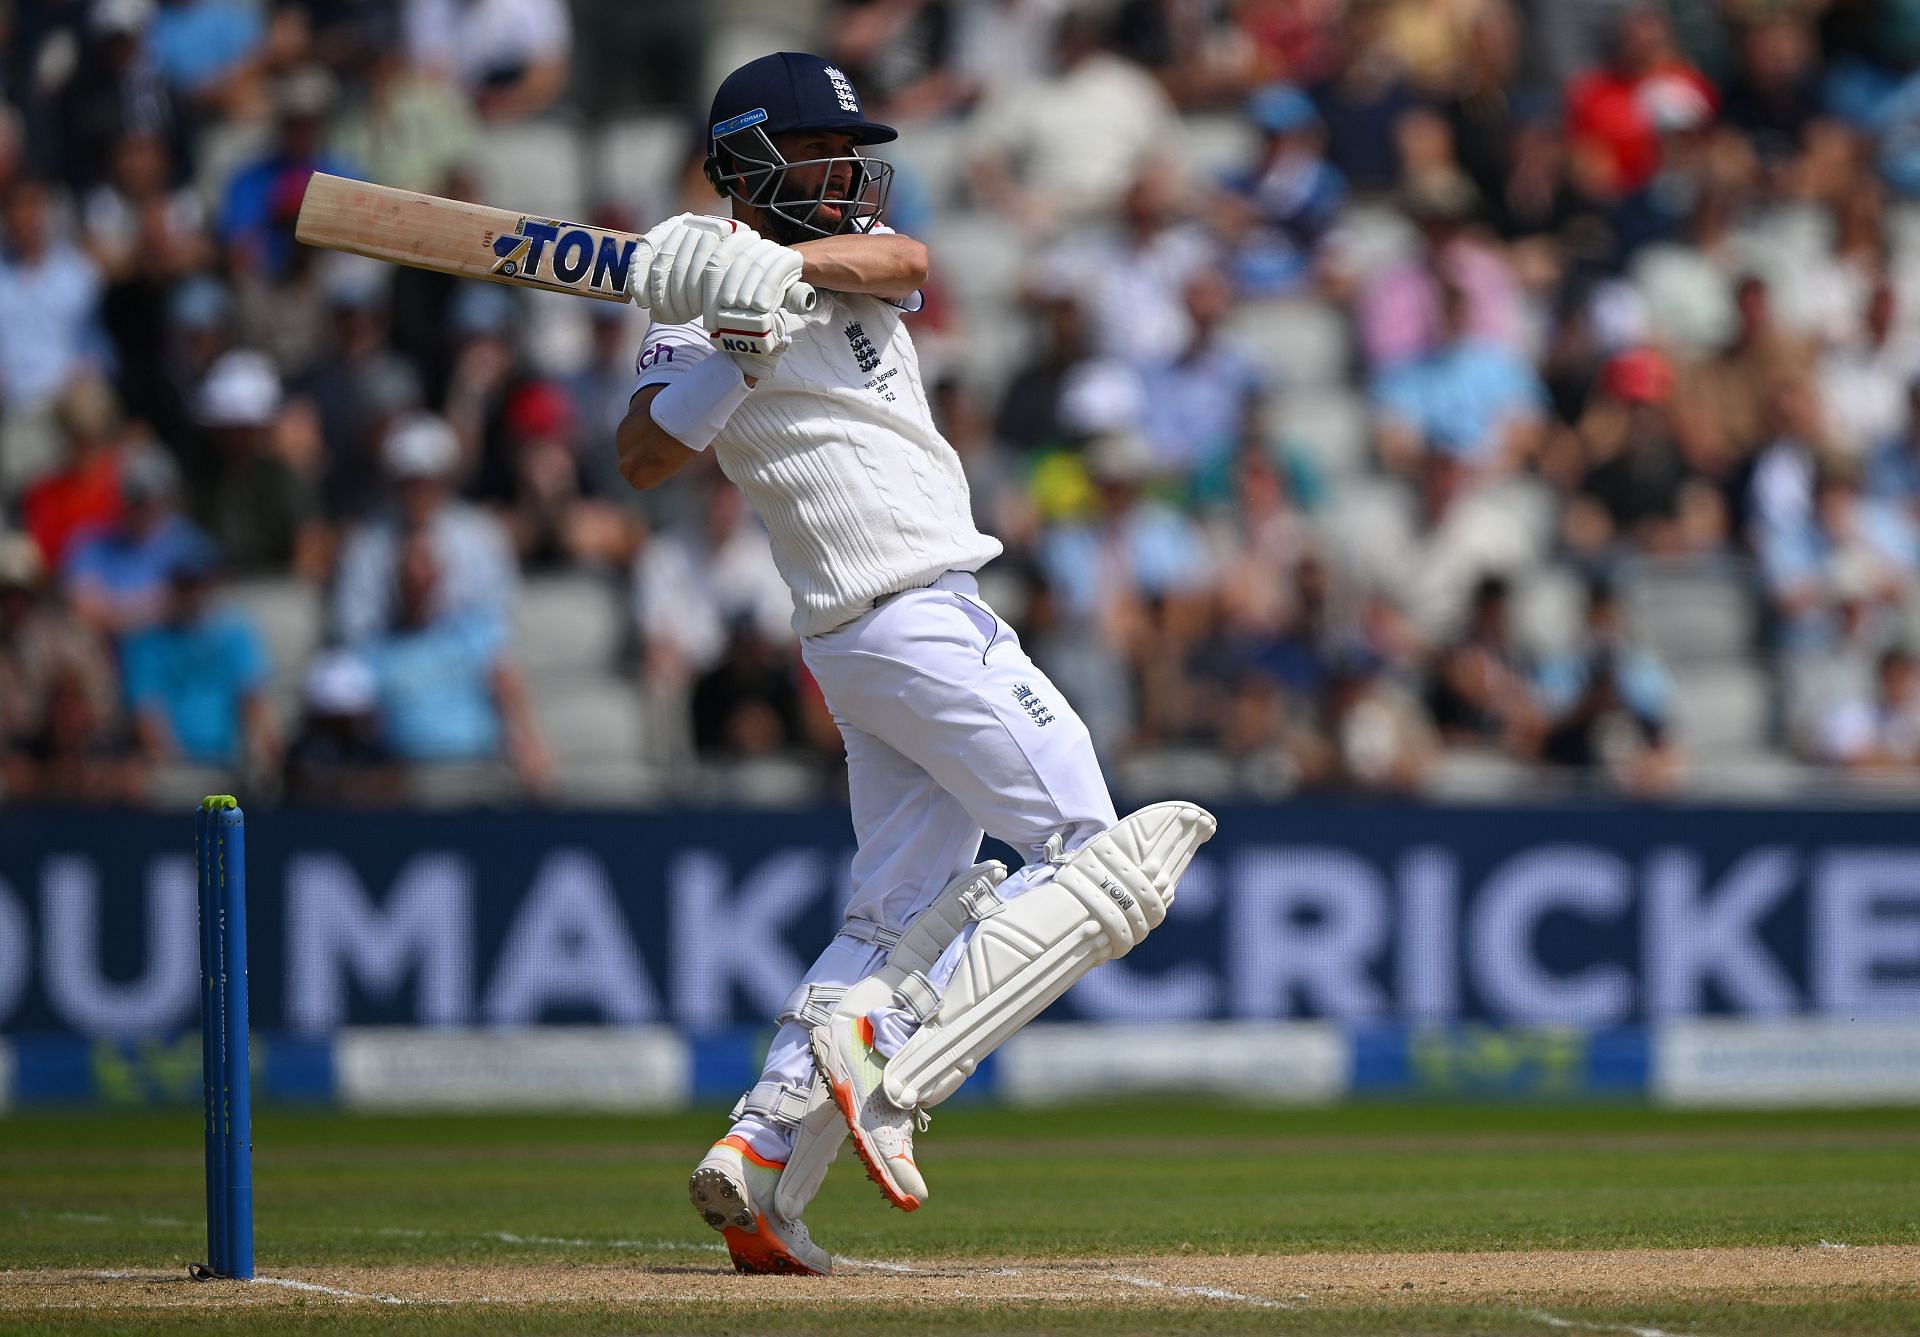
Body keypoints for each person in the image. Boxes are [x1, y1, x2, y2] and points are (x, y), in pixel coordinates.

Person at [615, 53, 1215, 1276]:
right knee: (1109, 859)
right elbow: (639, 456)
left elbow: (911, 262)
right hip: (911, 619)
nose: (853, 174)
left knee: (892, 908)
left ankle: (760, 1156)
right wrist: (734, 340)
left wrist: (771, 271)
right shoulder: (693, 308)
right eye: (825, 155)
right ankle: (891, 1035)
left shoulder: (845, 253)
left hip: (868, 641)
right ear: (752, 165)